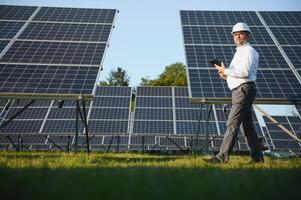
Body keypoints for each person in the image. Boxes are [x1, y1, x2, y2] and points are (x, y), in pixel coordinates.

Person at [204, 22, 264, 163]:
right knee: (247, 126)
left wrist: (227, 71)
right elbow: (237, 74)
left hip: (243, 89)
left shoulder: (248, 51)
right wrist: (226, 75)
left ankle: (221, 157)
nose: (237, 36)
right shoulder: (239, 52)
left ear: (247, 35)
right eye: (235, 34)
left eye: (240, 33)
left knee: (232, 124)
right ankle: (257, 158)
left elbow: (244, 72)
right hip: (241, 89)